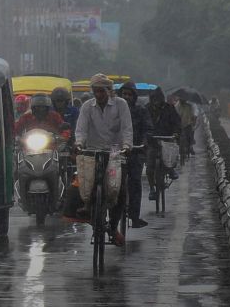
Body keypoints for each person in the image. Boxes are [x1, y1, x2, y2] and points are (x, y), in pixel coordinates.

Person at [72, 73, 133, 244]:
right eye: (96, 92)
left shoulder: (121, 105)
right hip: (92, 152)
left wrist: (127, 146)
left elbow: (127, 128)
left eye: (101, 92)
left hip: (115, 153)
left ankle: (113, 228)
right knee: (84, 184)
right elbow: (81, 129)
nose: (99, 95)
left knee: (119, 191)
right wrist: (79, 144)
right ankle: (90, 212)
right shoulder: (87, 107)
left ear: (109, 91)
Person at [116, 83, 151, 229]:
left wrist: (144, 142)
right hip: (117, 151)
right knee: (113, 182)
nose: (127, 97)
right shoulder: (114, 110)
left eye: (129, 94)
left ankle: (135, 217)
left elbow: (147, 129)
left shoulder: (141, 110)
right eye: (124, 94)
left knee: (135, 182)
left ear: (134, 96)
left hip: (136, 151)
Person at [146, 88, 183, 194]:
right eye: (154, 99)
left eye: (158, 99)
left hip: (167, 139)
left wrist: (176, 133)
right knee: (149, 167)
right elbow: (143, 123)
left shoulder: (169, 108)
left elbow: (177, 123)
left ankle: (170, 169)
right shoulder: (146, 109)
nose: (156, 101)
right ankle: (152, 189)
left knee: (169, 158)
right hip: (152, 140)